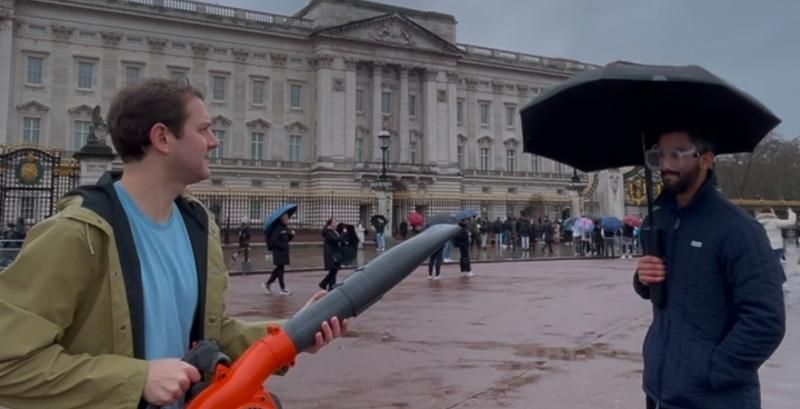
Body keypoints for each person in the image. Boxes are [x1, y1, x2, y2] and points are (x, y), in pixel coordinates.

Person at [0, 79, 347, 409]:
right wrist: (137, 379)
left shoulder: (198, 225)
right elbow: (9, 364)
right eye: (203, 129)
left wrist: (291, 335)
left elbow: (211, 334)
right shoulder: (76, 234)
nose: (214, 141)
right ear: (162, 138)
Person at [634, 129, 785, 409]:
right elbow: (666, 291)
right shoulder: (658, 220)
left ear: (706, 160)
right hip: (659, 391)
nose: (665, 165)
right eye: (659, 155)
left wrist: (711, 373)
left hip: (714, 397)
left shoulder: (738, 229)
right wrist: (643, 278)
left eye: (677, 154)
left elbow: (765, 321)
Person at [756, 207, 795, 284]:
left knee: (770, 264)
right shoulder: (775, 222)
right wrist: (791, 212)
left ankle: (777, 280)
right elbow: (791, 222)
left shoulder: (757, 223)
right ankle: (781, 281)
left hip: (763, 246)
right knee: (776, 263)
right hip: (776, 246)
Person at [264, 212, 294, 295]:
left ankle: (268, 284)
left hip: (284, 251)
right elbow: (274, 241)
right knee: (280, 270)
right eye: (286, 218)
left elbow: (287, 239)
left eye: (288, 218)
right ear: (282, 219)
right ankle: (282, 288)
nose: (287, 220)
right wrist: (281, 246)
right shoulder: (277, 228)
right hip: (278, 252)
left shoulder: (285, 227)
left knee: (279, 269)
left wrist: (291, 235)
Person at [319, 218, 347, 291]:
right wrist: (344, 233)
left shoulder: (333, 231)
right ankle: (331, 286)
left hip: (334, 254)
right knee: (334, 270)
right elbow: (336, 240)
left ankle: (324, 283)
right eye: (334, 223)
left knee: (334, 271)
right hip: (331, 254)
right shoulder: (329, 232)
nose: (336, 224)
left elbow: (339, 240)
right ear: (330, 224)